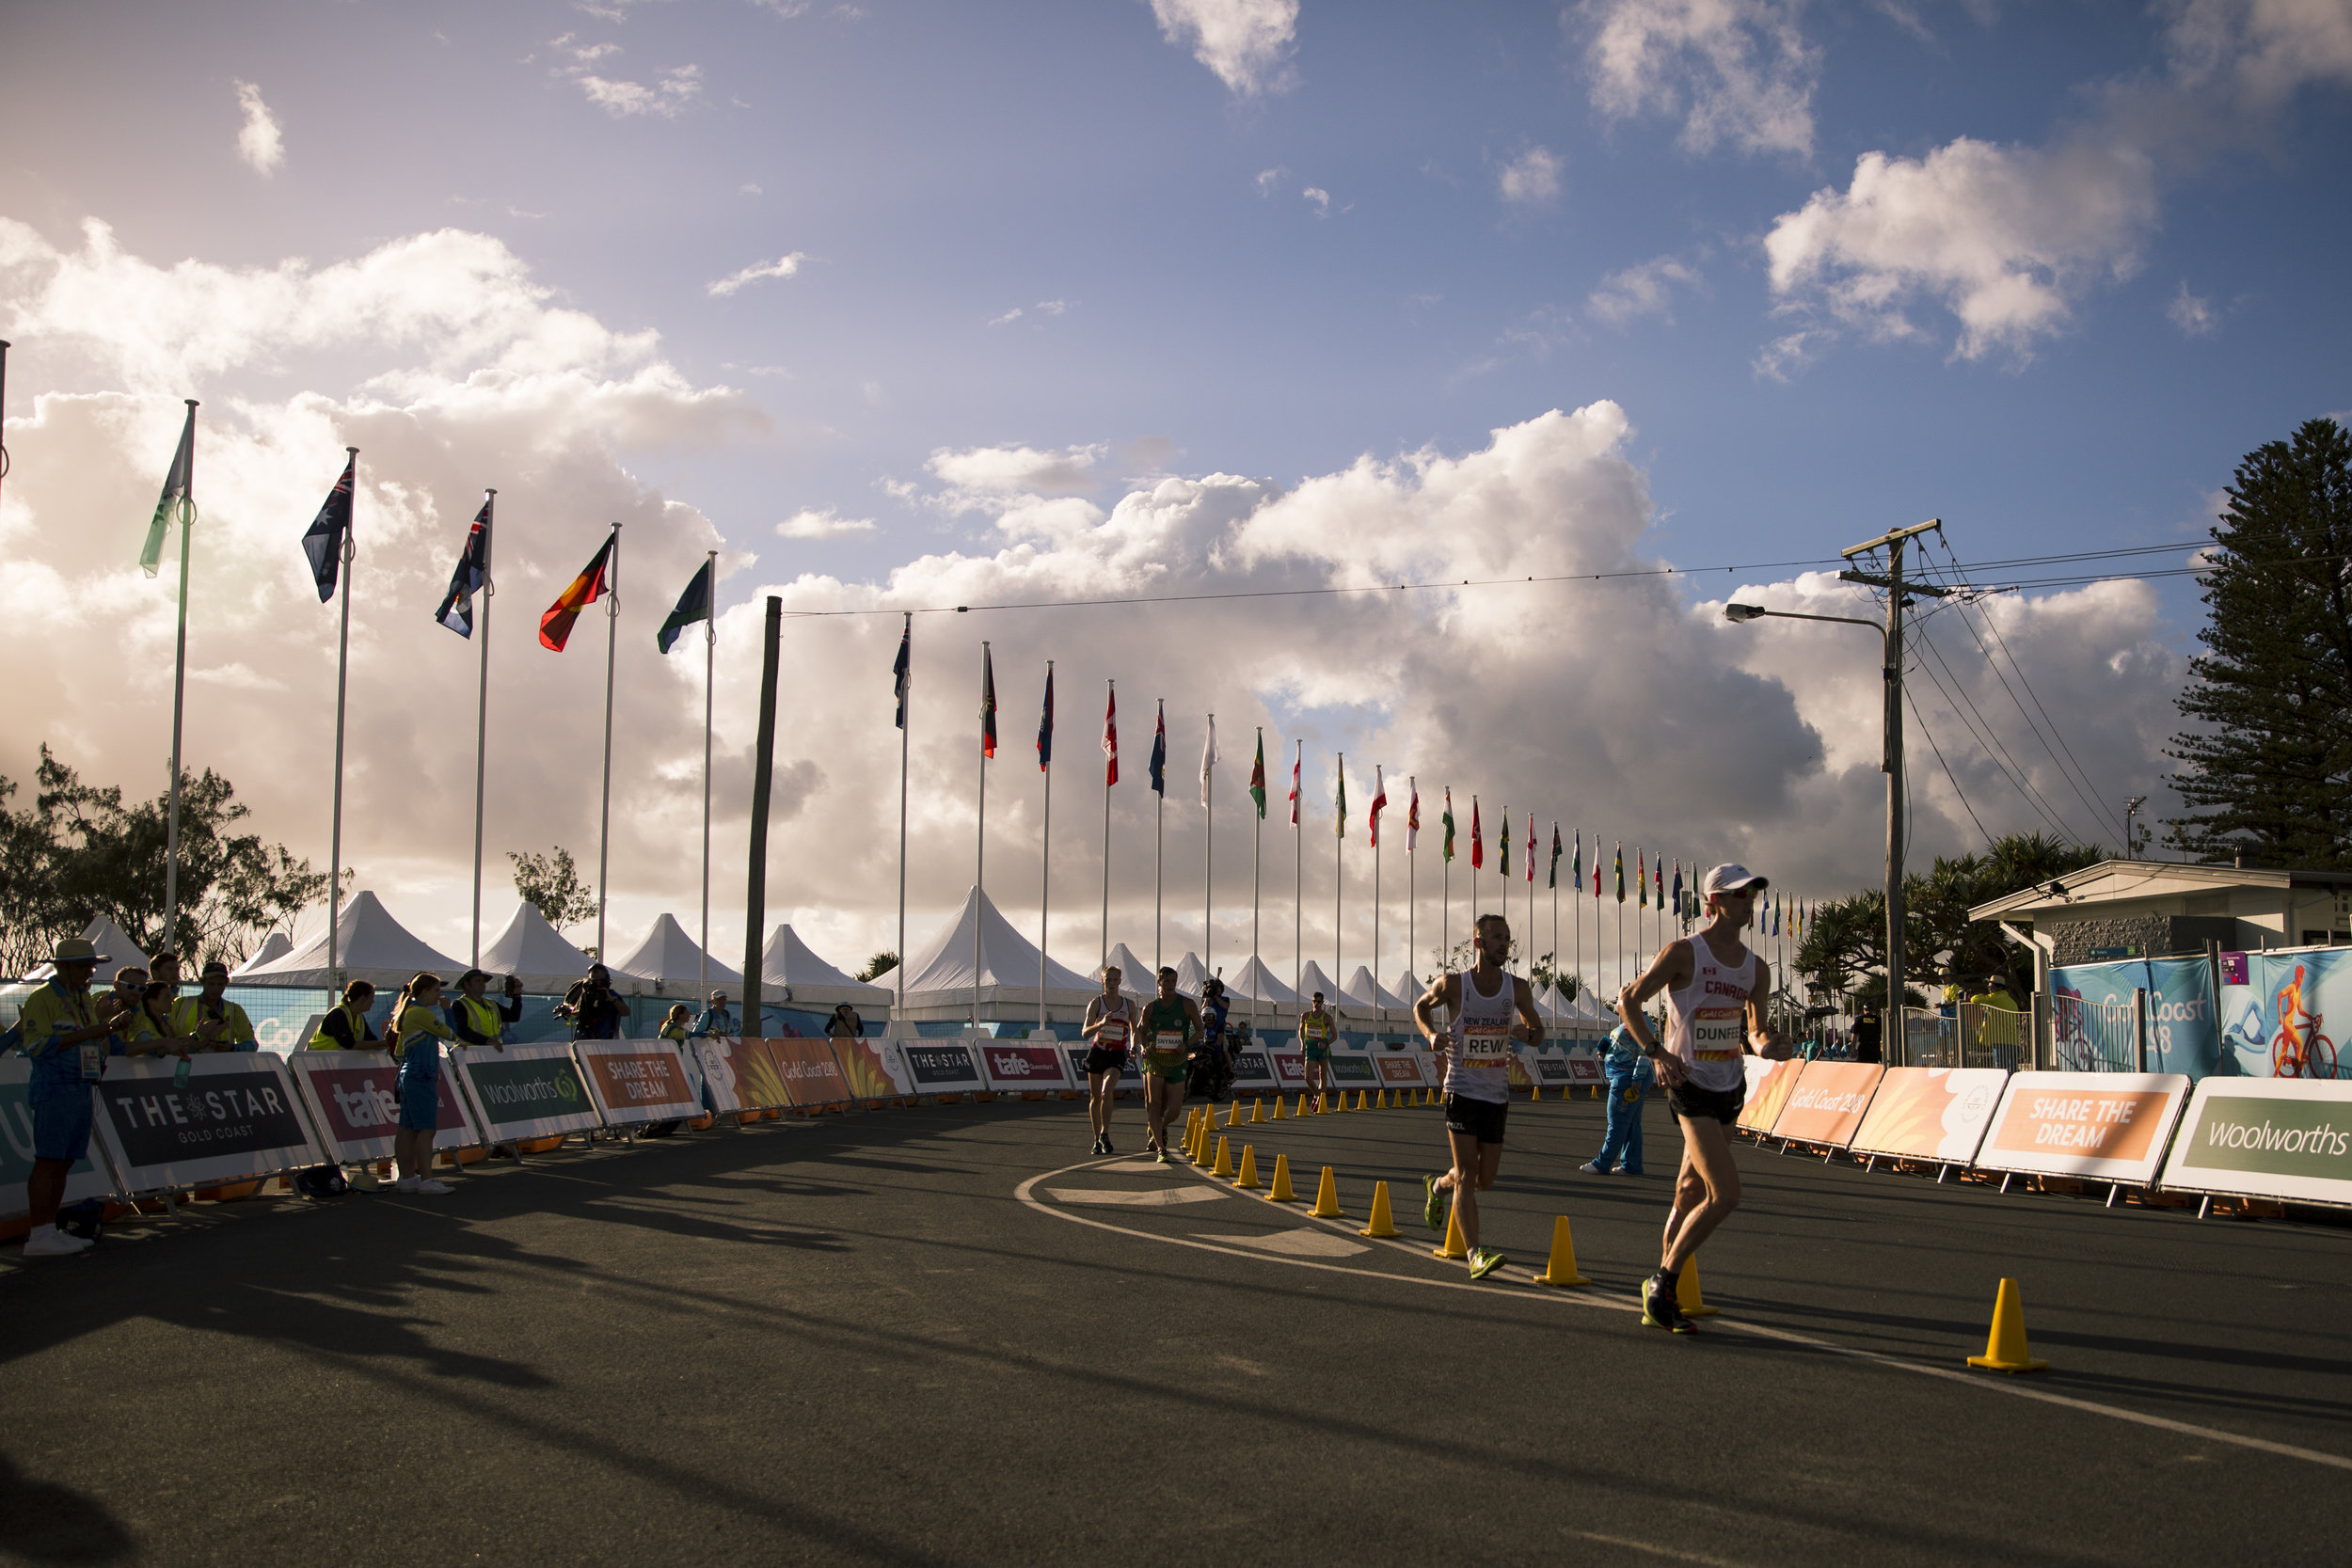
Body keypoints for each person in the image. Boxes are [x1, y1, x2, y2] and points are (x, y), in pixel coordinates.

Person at [1617, 863, 1791, 1334]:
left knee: (1690, 1191)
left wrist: (1766, 1046)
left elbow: (1754, 1030)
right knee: (1726, 1194)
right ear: (1713, 902)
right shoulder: (1683, 953)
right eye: (1738, 895)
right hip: (1688, 1084)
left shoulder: (1757, 968)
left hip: (1729, 1086)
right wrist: (1655, 1051)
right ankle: (1662, 1282)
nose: (1747, 902)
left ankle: (1663, 1289)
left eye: (1751, 894)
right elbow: (1628, 1001)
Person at [1413, 913, 1543, 1280]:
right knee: (1468, 1174)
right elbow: (1421, 1007)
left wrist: (1527, 1033)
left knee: (1484, 1179)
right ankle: (1475, 1254)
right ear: (1479, 943)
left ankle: (1437, 1186)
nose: (1504, 944)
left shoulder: (1517, 989)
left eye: (1507, 938)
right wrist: (1431, 1035)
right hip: (1461, 1089)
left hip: (1496, 1094)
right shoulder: (1454, 985)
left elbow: (1539, 1033)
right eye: (1497, 938)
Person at [15, 938, 119, 1257]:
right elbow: (35, 1046)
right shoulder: (41, 999)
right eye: (84, 965)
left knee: (64, 1162)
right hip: (54, 1088)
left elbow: (88, 1037)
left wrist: (102, 1034)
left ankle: (49, 1231)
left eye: (92, 965)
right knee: (48, 1160)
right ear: (62, 967)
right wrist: (91, 1033)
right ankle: (39, 1235)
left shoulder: (83, 998)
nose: (90, 971)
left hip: (81, 1087)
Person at [385, 974, 455, 1194]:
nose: (439, 995)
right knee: (426, 1130)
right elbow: (452, 1034)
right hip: (420, 1075)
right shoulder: (420, 1013)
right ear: (423, 992)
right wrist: (448, 1010)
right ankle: (426, 1180)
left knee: (407, 1128)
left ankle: (407, 1178)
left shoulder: (408, 1013)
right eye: (435, 991)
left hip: (409, 1074)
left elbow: (398, 1051)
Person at [1137, 967, 1200, 1163]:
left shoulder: (1187, 1004)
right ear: (1159, 983)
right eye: (1167, 982)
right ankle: (1161, 1149)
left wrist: (1187, 1044)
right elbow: (1140, 1031)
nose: (1171, 985)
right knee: (1153, 1104)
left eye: (1174, 981)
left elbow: (1200, 1030)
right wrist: (1143, 1046)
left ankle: (1160, 1126)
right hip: (1155, 1060)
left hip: (1176, 1060)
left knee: (1174, 1109)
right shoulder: (1150, 1007)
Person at [1581, 1022, 1655, 1176]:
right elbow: (1629, 1048)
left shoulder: (1640, 1022)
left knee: (1617, 1122)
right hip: (1624, 1076)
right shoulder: (1629, 1021)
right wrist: (1607, 1050)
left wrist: (1637, 1078)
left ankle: (1603, 1163)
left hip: (1626, 1078)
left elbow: (1645, 1052)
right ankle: (1631, 1165)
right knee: (1632, 1123)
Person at [1079, 964, 1135, 1155]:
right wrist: (1101, 1024)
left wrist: (1134, 1045)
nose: (1111, 983)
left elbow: (1135, 1029)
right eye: (1108, 980)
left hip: (1117, 1053)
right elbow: (1085, 1032)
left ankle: (1105, 1132)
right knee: (1095, 1098)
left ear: (1120, 981)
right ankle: (1096, 1139)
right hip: (1098, 1052)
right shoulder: (1096, 1003)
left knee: (1106, 1092)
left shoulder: (1129, 1004)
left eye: (1114, 979)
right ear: (1103, 981)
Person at [168, 960, 259, 1050]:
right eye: (211, 984)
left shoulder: (235, 1010)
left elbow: (252, 1044)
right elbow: (166, 1036)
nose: (215, 989)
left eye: (220, 985)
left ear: (226, 984)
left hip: (221, 1061)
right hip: (186, 1059)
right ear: (202, 982)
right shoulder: (179, 1004)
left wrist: (232, 1048)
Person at [449, 970, 525, 1051]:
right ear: (467, 984)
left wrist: (517, 995)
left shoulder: (491, 1003)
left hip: (492, 1051)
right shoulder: (459, 1005)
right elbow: (462, 1031)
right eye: (478, 981)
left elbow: (513, 1017)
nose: (482, 984)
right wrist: (488, 1041)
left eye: (483, 981)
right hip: (470, 1053)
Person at [1189, 977, 1234, 1102]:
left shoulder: (1224, 999)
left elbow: (1224, 1006)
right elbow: (1202, 1009)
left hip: (1220, 1028)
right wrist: (1207, 997)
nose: (1216, 990)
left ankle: (1230, 1072)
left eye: (1218, 988)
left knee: (1222, 1051)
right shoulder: (1208, 1001)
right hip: (1207, 1034)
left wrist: (1215, 996)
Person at [556, 964, 630, 1038]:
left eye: (599, 982)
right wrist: (566, 1010)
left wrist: (612, 999)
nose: (597, 985)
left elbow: (626, 1012)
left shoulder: (612, 995)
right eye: (594, 982)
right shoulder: (584, 995)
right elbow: (575, 1013)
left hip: (607, 1040)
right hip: (584, 1039)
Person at [309, 981, 379, 1049]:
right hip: (317, 1058)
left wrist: (386, 1042)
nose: (373, 1001)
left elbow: (371, 1040)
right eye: (371, 998)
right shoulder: (337, 1014)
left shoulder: (359, 1017)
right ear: (362, 998)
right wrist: (385, 1043)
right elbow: (349, 1044)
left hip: (336, 1059)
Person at [1298, 990, 1338, 1108]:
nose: (1316, 1004)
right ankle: (1317, 1096)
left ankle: (1320, 1100)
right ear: (1312, 1001)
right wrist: (1302, 1044)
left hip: (1322, 1049)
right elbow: (1300, 1031)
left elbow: (1335, 1036)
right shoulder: (1305, 1015)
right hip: (1310, 1048)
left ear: (1322, 1003)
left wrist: (1326, 1044)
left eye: (1319, 1002)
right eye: (1314, 1001)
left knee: (1322, 1075)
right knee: (1308, 1077)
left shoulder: (1327, 1018)